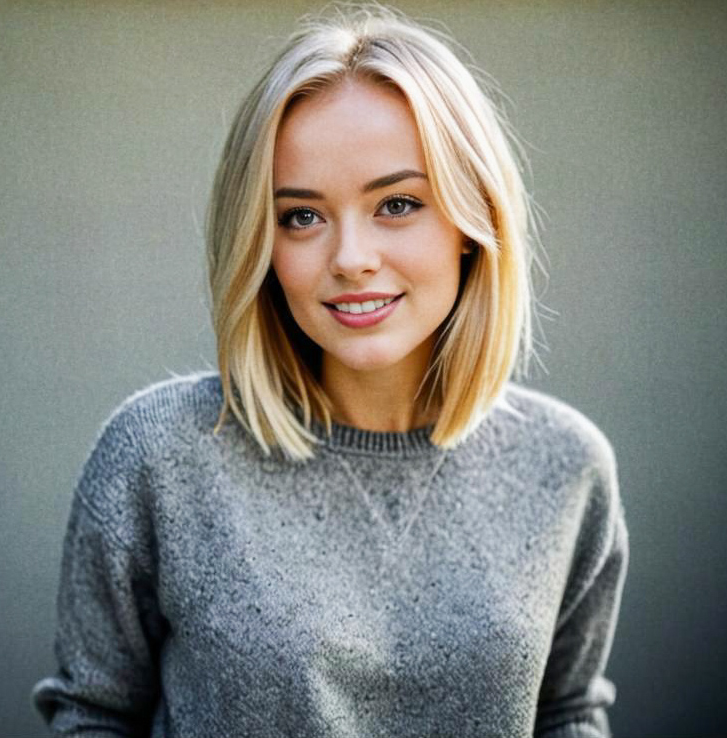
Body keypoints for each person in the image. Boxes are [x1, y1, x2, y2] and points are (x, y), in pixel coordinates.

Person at [32, 5, 629, 737]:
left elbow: (567, 712)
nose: (350, 258)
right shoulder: (159, 456)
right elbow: (93, 713)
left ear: (475, 225)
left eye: (398, 204)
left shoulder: (564, 466)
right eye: (301, 217)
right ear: (260, 243)